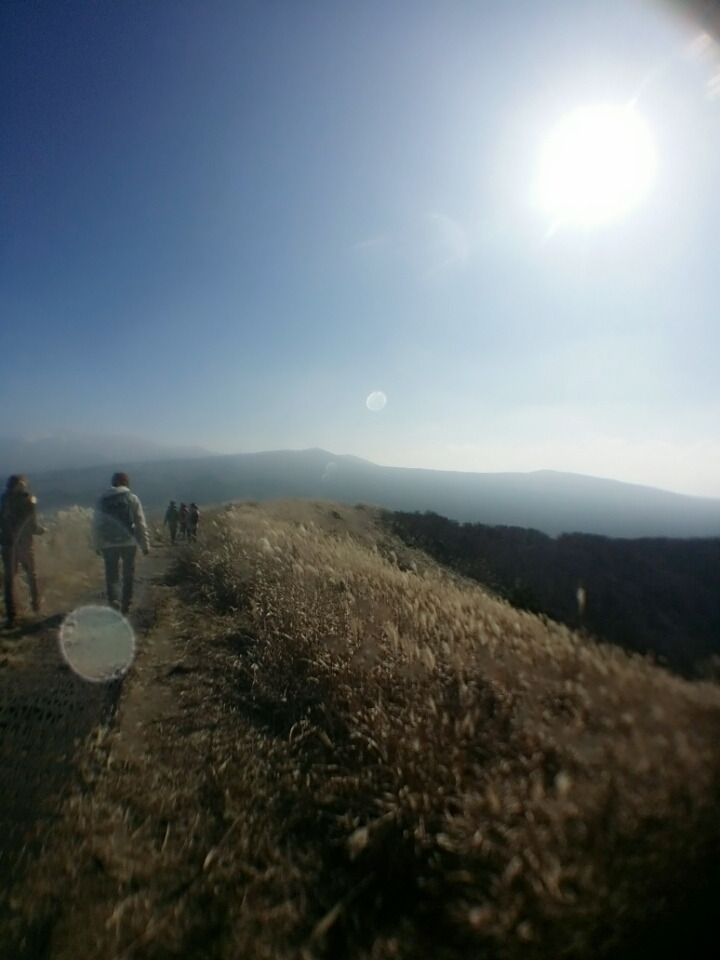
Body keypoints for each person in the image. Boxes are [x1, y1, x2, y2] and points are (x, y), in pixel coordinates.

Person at [92, 471, 150, 615]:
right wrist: (145, 544)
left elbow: (96, 524)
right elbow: (140, 523)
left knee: (111, 574)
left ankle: (113, 601)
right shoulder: (132, 498)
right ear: (126, 482)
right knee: (128, 573)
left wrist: (97, 544)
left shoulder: (102, 500)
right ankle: (127, 603)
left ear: (113, 482)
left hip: (108, 543)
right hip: (128, 542)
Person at [0, 475, 45, 629]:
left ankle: (12, 617)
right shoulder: (28, 499)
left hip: (7, 544)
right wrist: (40, 530)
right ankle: (36, 607)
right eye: (24, 483)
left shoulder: (2, 499)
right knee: (32, 575)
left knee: (9, 580)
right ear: (20, 484)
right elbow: (32, 523)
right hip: (25, 543)